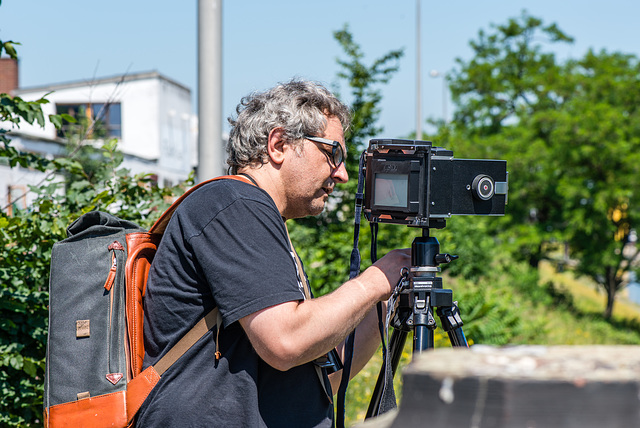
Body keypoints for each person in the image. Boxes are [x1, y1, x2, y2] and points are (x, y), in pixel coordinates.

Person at [136, 79, 410, 427]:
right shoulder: (232, 204)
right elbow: (286, 341)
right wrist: (374, 280)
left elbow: (325, 379)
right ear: (279, 144)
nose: (341, 174)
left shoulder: (258, 219)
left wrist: (385, 299)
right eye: (333, 153)